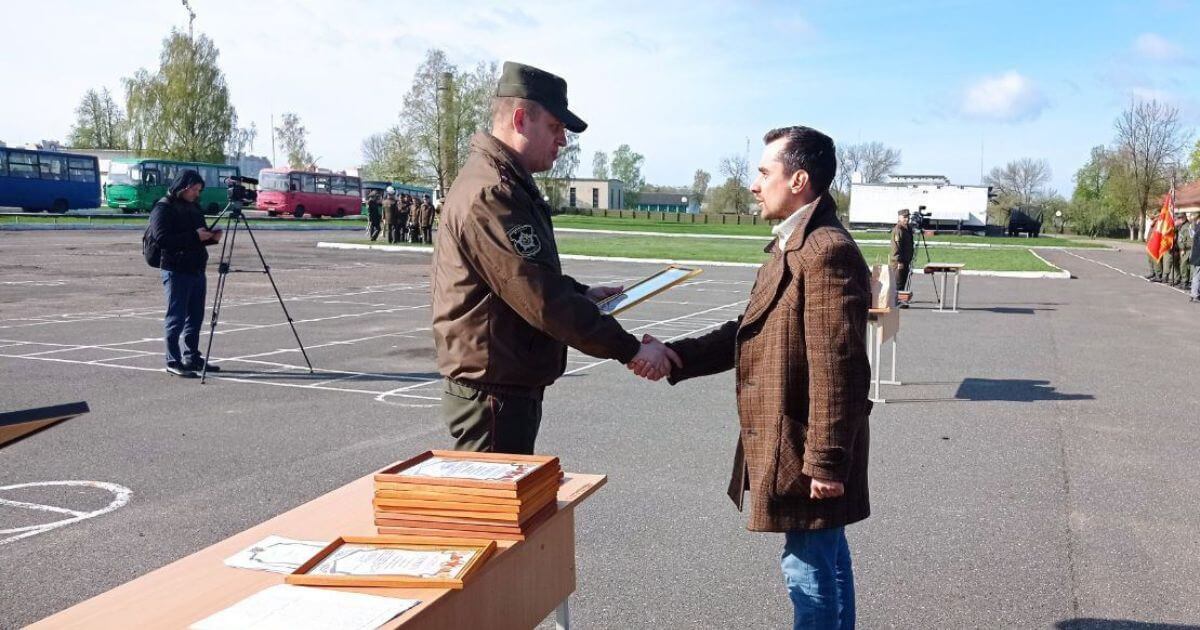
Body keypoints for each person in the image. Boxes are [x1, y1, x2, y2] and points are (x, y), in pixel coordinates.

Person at [638, 126, 872, 629]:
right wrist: (674, 355)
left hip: (808, 448)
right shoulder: (790, 246)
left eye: (765, 172)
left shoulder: (826, 250)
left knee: (808, 574)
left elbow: (842, 369)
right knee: (827, 563)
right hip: (797, 442)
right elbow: (746, 332)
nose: (753, 183)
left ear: (799, 180)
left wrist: (828, 464)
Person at [431, 60, 678, 455]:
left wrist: (582, 293)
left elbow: (527, 279)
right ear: (519, 119)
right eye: (554, 127)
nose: (562, 140)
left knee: (508, 508)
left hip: (503, 386)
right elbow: (540, 299)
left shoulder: (504, 183)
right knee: (493, 512)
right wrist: (631, 350)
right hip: (493, 394)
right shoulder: (492, 194)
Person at [148, 169, 223, 378]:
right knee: (176, 317)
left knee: (195, 316)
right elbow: (162, 239)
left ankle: (192, 357)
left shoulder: (194, 207)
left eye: (199, 191)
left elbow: (200, 235)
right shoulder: (163, 208)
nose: (197, 194)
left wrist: (211, 238)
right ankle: (173, 360)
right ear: (184, 186)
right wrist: (194, 236)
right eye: (195, 190)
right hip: (175, 269)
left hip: (197, 268)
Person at [890, 208, 915, 305]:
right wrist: (898, 261)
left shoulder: (907, 228)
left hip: (906, 260)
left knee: (903, 282)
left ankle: (901, 301)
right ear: (899, 217)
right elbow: (895, 248)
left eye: (908, 217)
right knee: (898, 283)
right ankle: (895, 302)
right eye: (904, 217)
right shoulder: (898, 230)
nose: (907, 219)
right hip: (899, 262)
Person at [1176, 212, 1192, 289]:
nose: (1180, 219)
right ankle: (1186, 281)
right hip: (1185, 248)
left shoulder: (1187, 226)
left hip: (1186, 249)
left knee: (1184, 265)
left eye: (1181, 217)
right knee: (1185, 265)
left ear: (1185, 217)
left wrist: (1182, 248)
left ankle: (1185, 281)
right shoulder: (1182, 226)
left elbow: (1185, 239)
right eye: (1179, 218)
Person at [1190, 212, 1200, 302]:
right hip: (1198, 256)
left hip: (1196, 255)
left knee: (1196, 275)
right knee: (1197, 276)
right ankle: (1195, 294)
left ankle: (1194, 294)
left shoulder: (1196, 227)